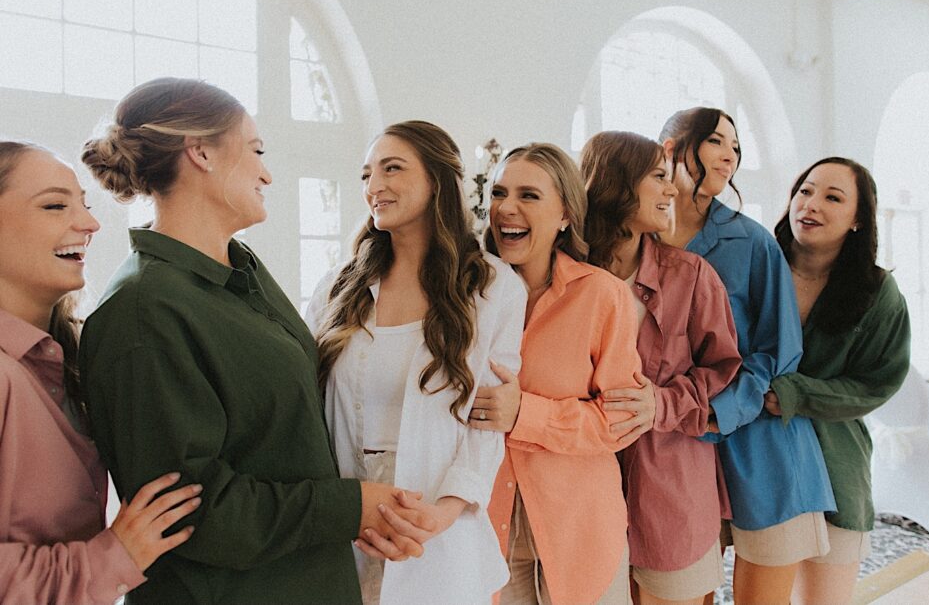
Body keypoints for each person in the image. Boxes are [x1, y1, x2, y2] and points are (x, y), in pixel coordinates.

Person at [78, 78, 423, 604]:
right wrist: (349, 507)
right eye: (256, 150)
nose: (266, 172)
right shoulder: (142, 311)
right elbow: (195, 513)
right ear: (201, 153)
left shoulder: (245, 271)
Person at [306, 120, 526, 604]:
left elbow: (485, 423)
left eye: (392, 169)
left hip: (436, 519)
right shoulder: (337, 288)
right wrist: (346, 510)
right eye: (366, 175)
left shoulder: (493, 288)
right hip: (346, 518)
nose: (374, 186)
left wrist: (441, 513)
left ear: (437, 180)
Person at [0, 141, 201, 604]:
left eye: (85, 206)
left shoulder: (65, 359)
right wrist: (112, 556)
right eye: (54, 205)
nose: (89, 224)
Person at [657, 108, 835, 605]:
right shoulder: (639, 239)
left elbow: (780, 350)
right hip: (672, 452)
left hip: (764, 446)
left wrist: (719, 410)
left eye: (736, 147)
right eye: (716, 141)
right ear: (670, 147)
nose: (730, 155)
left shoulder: (752, 241)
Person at [469, 142, 645, 605]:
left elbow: (618, 421)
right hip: (486, 530)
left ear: (565, 214)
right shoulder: (463, 296)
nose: (507, 208)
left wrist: (524, 413)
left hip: (579, 529)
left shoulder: (602, 297)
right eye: (501, 193)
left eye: (529, 195)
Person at [580, 131, 743, 605]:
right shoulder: (565, 276)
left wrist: (661, 404)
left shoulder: (692, 276)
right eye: (658, 177)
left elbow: (723, 372)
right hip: (586, 487)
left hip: (673, 488)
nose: (672, 190)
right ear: (615, 183)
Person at [764, 157, 911, 605]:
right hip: (763, 463)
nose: (811, 205)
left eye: (833, 197)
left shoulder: (877, 291)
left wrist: (796, 393)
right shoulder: (759, 271)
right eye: (805, 191)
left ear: (858, 219)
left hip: (836, 464)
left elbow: (876, 384)